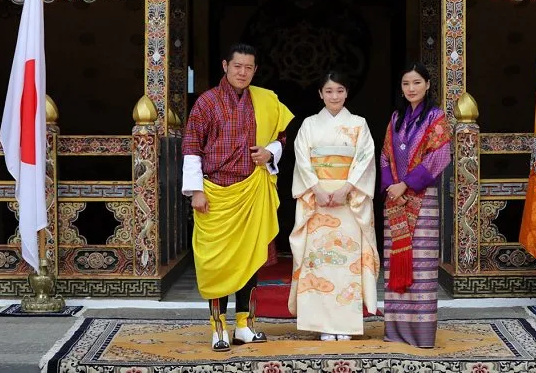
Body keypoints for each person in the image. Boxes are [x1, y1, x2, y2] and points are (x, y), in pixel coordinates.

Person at [182, 43, 294, 352]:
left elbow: (282, 136)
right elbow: (191, 146)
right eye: (237, 66)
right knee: (217, 263)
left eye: (248, 67)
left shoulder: (264, 100)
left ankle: (245, 324)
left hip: (252, 191)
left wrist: (270, 151)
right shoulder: (206, 103)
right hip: (215, 194)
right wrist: (196, 191)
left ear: (255, 70)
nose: (242, 72)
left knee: (250, 259)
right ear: (225, 66)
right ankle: (218, 327)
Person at [289, 71, 379, 341]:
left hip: (348, 201)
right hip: (317, 201)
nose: (334, 96)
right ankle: (323, 324)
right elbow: (302, 158)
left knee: (346, 262)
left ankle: (346, 325)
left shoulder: (359, 124)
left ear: (346, 93)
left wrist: (347, 188)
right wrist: (315, 187)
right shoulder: (308, 125)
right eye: (328, 91)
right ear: (320, 94)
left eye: (339, 90)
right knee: (318, 263)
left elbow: (365, 159)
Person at [380, 62, 451, 348]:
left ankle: (420, 335)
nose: (411, 89)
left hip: (422, 200)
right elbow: (385, 155)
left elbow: (439, 156)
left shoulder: (436, 118)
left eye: (416, 83)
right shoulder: (396, 118)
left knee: (420, 269)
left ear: (428, 85)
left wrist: (406, 184)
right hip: (395, 200)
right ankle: (395, 331)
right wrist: (391, 186)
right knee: (394, 262)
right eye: (406, 84)